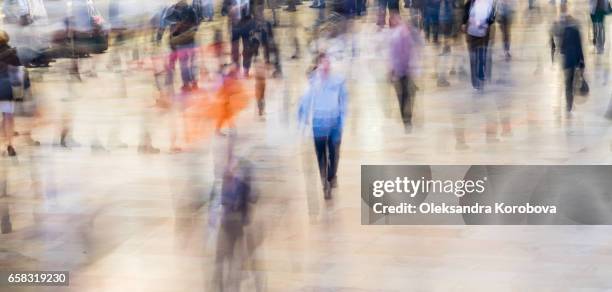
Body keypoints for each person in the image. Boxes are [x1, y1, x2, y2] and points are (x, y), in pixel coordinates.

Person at [298, 53, 348, 199]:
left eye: (328, 63)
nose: (326, 66)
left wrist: (342, 118)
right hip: (318, 124)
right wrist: (302, 121)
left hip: (334, 124)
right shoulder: (313, 83)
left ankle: (332, 175)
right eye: (323, 63)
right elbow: (305, 102)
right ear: (318, 65)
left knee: (334, 154)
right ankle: (325, 184)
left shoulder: (338, 81)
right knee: (321, 157)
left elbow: (344, 100)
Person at [551, 4, 585, 113]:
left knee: (567, 84)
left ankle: (568, 105)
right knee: (571, 82)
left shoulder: (562, 29)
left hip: (566, 61)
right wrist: (582, 61)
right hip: (574, 59)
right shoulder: (575, 30)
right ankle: (569, 103)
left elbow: (559, 45)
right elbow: (580, 47)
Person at [389, 12, 420, 131]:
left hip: (406, 70)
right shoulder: (394, 35)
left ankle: (408, 119)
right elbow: (392, 54)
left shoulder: (405, 33)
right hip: (399, 70)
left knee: (407, 95)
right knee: (402, 96)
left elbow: (413, 52)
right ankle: (406, 120)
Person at [160, 0, 199, 92]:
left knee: (184, 64)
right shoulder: (191, 10)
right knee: (192, 63)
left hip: (180, 42)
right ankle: (193, 82)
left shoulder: (172, 10)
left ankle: (187, 84)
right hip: (191, 40)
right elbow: (196, 25)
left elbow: (166, 24)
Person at [462, 0, 496, 90]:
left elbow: (492, 17)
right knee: (478, 55)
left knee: (477, 56)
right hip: (477, 33)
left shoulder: (471, 4)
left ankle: (478, 78)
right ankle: (478, 78)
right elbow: (492, 17)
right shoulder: (471, 4)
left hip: (480, 33)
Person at [0, 31, 22, 156]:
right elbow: (17, 73)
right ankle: (9, 144)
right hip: (6, 88)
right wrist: (19, 92)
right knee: (8, 116)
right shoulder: (12, 53)